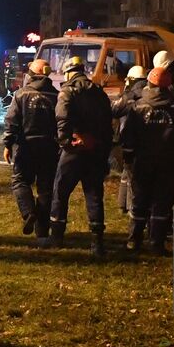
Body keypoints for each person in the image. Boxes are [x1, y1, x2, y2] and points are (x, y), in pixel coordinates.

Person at [118, 67, 174, 253]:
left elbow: (129, 137)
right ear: (169, 86)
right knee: (162, 202)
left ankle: (133, 240)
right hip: (167, 163)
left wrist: (128, 158)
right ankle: (156, 243)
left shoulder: (137, 107)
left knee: (139, 200)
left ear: (148, 84)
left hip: (142, 162)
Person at [48, 55, 113, 257]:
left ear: (68, 72)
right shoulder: (99, 93)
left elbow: (62, 119)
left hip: (73, 152)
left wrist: (66, 143)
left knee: (61, 191)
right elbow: (107, 122)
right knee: (94, 194)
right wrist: (101, 146)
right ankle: (97, 242)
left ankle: (56, 236)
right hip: (95, 151)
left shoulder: (67, 92)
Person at [2, 59, 58, 246]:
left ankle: (28, 212)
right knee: (45, 188)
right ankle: (42, 231)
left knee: (19, 180)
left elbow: (12, 120)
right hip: (50, 147)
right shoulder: (56, 95)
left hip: (27, 146)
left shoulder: (21, 94)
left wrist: (8, 143)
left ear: (31, 75)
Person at [113, 64, 148, 217]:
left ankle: (129, 207)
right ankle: (123, 204)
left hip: (130, 139)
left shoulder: (130, 97)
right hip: (148, 140)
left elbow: (114, 110)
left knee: (130, 173)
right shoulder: (150, 94)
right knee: (130, 173)